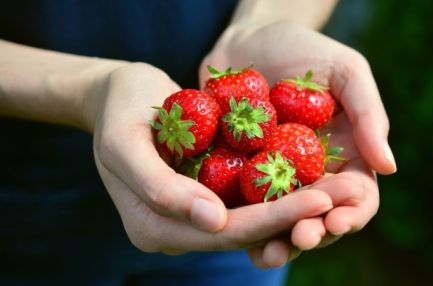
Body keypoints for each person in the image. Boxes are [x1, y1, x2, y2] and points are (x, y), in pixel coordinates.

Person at [0, 0, 396, 285]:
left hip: (230, 217)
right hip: (30, 210)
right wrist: (90, 91)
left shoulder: (253, 158)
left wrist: (265, 20)